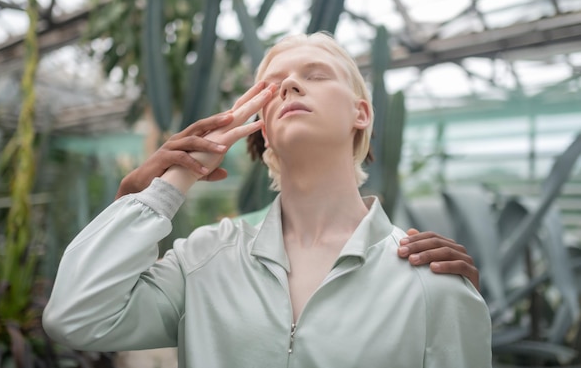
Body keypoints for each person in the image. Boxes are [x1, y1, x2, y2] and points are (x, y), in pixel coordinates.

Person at [43, 32, 491, 367]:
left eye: (315, 75)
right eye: (271, 87)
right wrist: (171, 182)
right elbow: (76, 317)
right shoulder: (203, 259)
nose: (291, 86)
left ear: (362, 113)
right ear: (260, 126)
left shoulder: (432, 282)